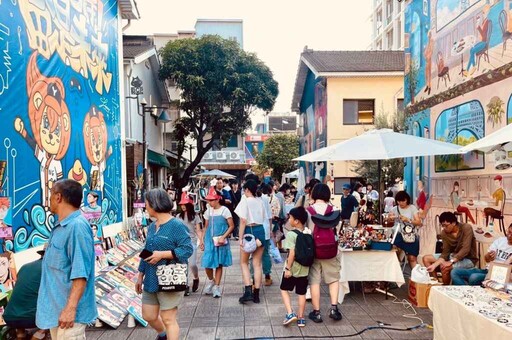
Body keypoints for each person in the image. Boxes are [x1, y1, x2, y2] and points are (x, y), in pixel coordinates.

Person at [36, 179, 97, 340]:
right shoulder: (61, 227)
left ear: (58, 197)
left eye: (50, 195)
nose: (48, 199)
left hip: (70, 316)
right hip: (57, 312)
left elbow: (80, 273)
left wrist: (70, 308)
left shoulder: (76, 227)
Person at [136, 188, 193, 340]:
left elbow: (187, 249)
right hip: (151, 279)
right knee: (148, 315)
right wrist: (140, 274)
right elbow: (147, 250)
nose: (145, 207)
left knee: (168, 318)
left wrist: (163, 254)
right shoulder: (151, 227)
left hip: (170, 278)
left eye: (146, 204)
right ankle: (163, 335)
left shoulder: (177, 226)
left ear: (155, 205)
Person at [307, 184, 342, 323]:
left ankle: (317, 312)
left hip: (314, 250)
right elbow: (337, 230)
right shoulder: (334, 210)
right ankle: (334, 308)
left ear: (313, 194)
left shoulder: (309, 211)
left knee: (315, 280)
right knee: (333, 278)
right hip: (331, 250)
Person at [236, 180, 268, 304]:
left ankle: (248, 290)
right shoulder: (260, 201)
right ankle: (256, 295)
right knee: (257, 264)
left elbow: (243, 220)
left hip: (249, 231)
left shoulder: (245, 201)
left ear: (247, 189)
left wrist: (240, 238)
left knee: (244, 262)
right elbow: (264, 217)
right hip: (260, 231)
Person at [423, 211, 477, 285]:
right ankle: (436, 284)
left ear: (454, 223)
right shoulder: (444, 233)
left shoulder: (466, 228)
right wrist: (434, 265)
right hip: (453, 255)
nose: (444, 228)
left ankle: (446, 287)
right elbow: (445, 252)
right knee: (426, 258)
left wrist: (451, 261)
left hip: (468, 259)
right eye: (442, 225)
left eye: (446, 225)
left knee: (444, 268)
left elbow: (466, 249)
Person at [4, 251, 46, 340]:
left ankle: (20, 335)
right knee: (59, 311)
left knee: (24, 304)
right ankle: (39, 334)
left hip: (9, 316)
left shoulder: (25, 266)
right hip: (30, 318)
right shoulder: (49, 268)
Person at [201, 187, 234, 298]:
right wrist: (201, 240)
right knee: (207, 263)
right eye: (209, 200)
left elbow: (231, 226)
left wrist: (224, 236)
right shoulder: (207, 211)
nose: (210, 202)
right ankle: (211, 280)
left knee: (219, 264)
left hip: (220, 241)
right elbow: (205, 226)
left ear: (218, 199)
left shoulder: (225, 210)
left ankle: (217, 287)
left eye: (212, 200)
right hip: (209, 240)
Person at [280, 207, 310, 328]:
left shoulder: (292, 234)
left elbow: (291, 253)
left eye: (291, 218)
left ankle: (290, 313)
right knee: (301, 293)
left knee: (283, 289)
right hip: (304, 268)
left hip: (292, 269)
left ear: (296, 221)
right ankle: (301, 318)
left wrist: (288, 268)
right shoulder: (308, 232)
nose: (289, 219)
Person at [387, 191, 422, 268]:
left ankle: (415, 276)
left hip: (411, 236)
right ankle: (397, 273)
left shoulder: (412, 208)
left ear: (407, 200)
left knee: (412, 258)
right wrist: (390, 218)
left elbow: (419, 222)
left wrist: (408, 220)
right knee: (394, 253)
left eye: (403, 201)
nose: (401, 203)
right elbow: (388, 222)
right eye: (399, 201)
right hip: (398, 235)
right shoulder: (394, 209)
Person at [178, 192, 202, 295]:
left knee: (192, 264)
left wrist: (202, 241)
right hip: (181, 244)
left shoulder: (195, 216)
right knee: (184, 265)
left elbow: (198, 230)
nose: (183, 206)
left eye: (185, 204)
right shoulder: (178, 217)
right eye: (182, 204)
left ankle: (196, 278)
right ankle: (186, 286)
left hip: (192, 242)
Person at [464, 4, 490, 76]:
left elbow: (483, 35)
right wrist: (478, 25)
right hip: (482, 41)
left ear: (487, 13)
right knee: (471, 50)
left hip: (484, 43)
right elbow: (482, 34)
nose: (483, 14)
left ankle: (472, 67)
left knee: (472, 51)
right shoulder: (484, 21)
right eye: (483, 12)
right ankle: (468, 69)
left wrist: (478, 27)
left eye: (484, 12)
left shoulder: (486, 22)